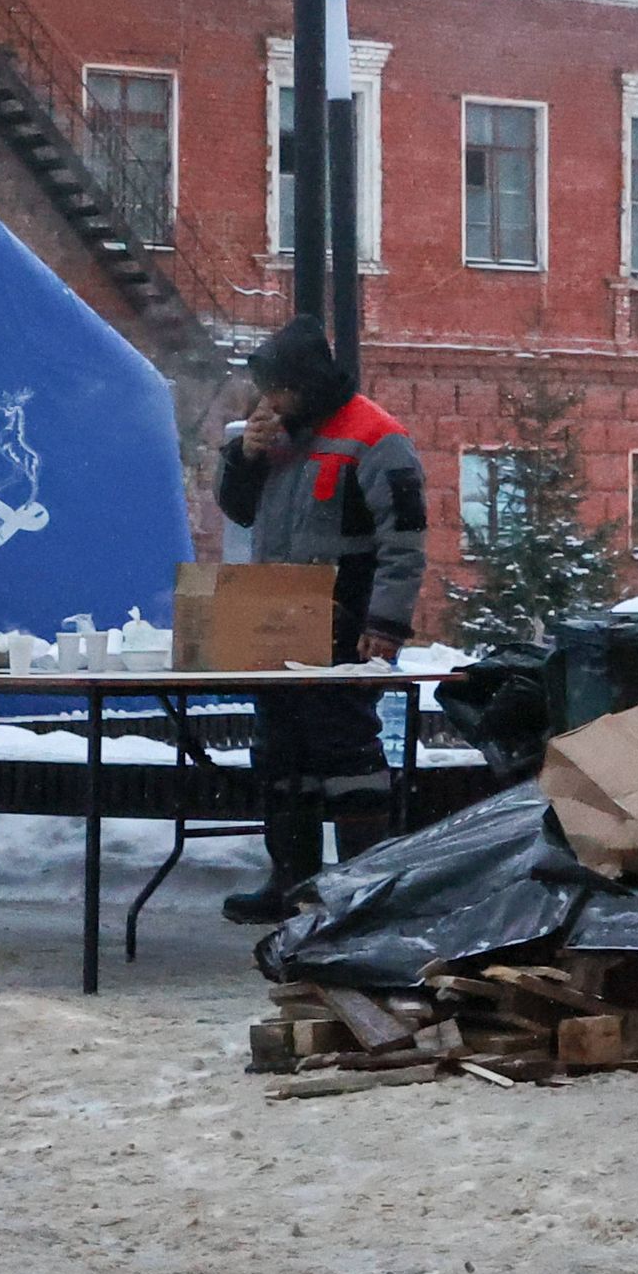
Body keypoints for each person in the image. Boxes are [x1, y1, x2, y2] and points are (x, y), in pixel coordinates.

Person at [211, 315, 427, 926]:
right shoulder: (276, 434)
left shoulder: (378, 438)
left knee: (347, 753)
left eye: (277, 389)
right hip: (278, 614)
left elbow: (405, 543)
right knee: (280, 753)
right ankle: (292, 883)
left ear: (306, 384)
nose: (267, 402)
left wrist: (385, 627)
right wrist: (244, 457)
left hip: (346, 617)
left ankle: (364, 891)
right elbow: (240, 511)